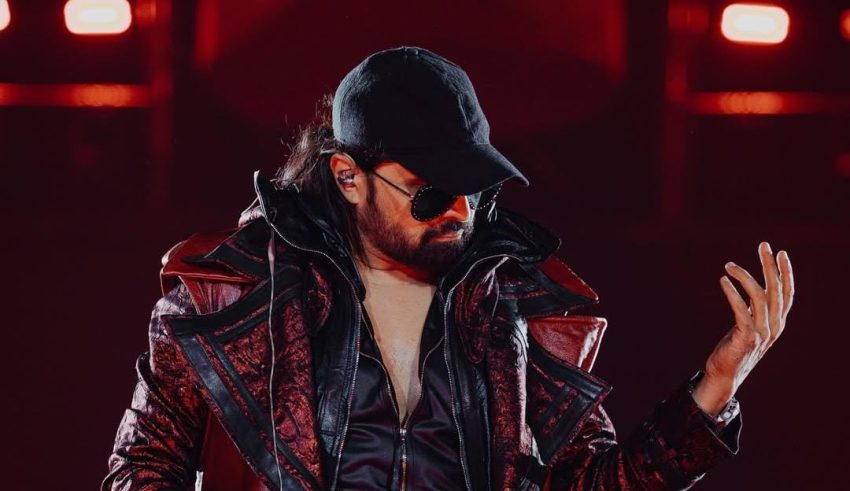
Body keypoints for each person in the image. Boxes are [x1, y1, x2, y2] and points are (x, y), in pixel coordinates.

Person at [103, 46, 795, 491]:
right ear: (348, 176)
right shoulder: (231, 293)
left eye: (474, 190)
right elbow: (142, 467)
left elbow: (595, 483)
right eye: (430, 193)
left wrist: (717, 384)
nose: (459, 212)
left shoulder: (518, 309)